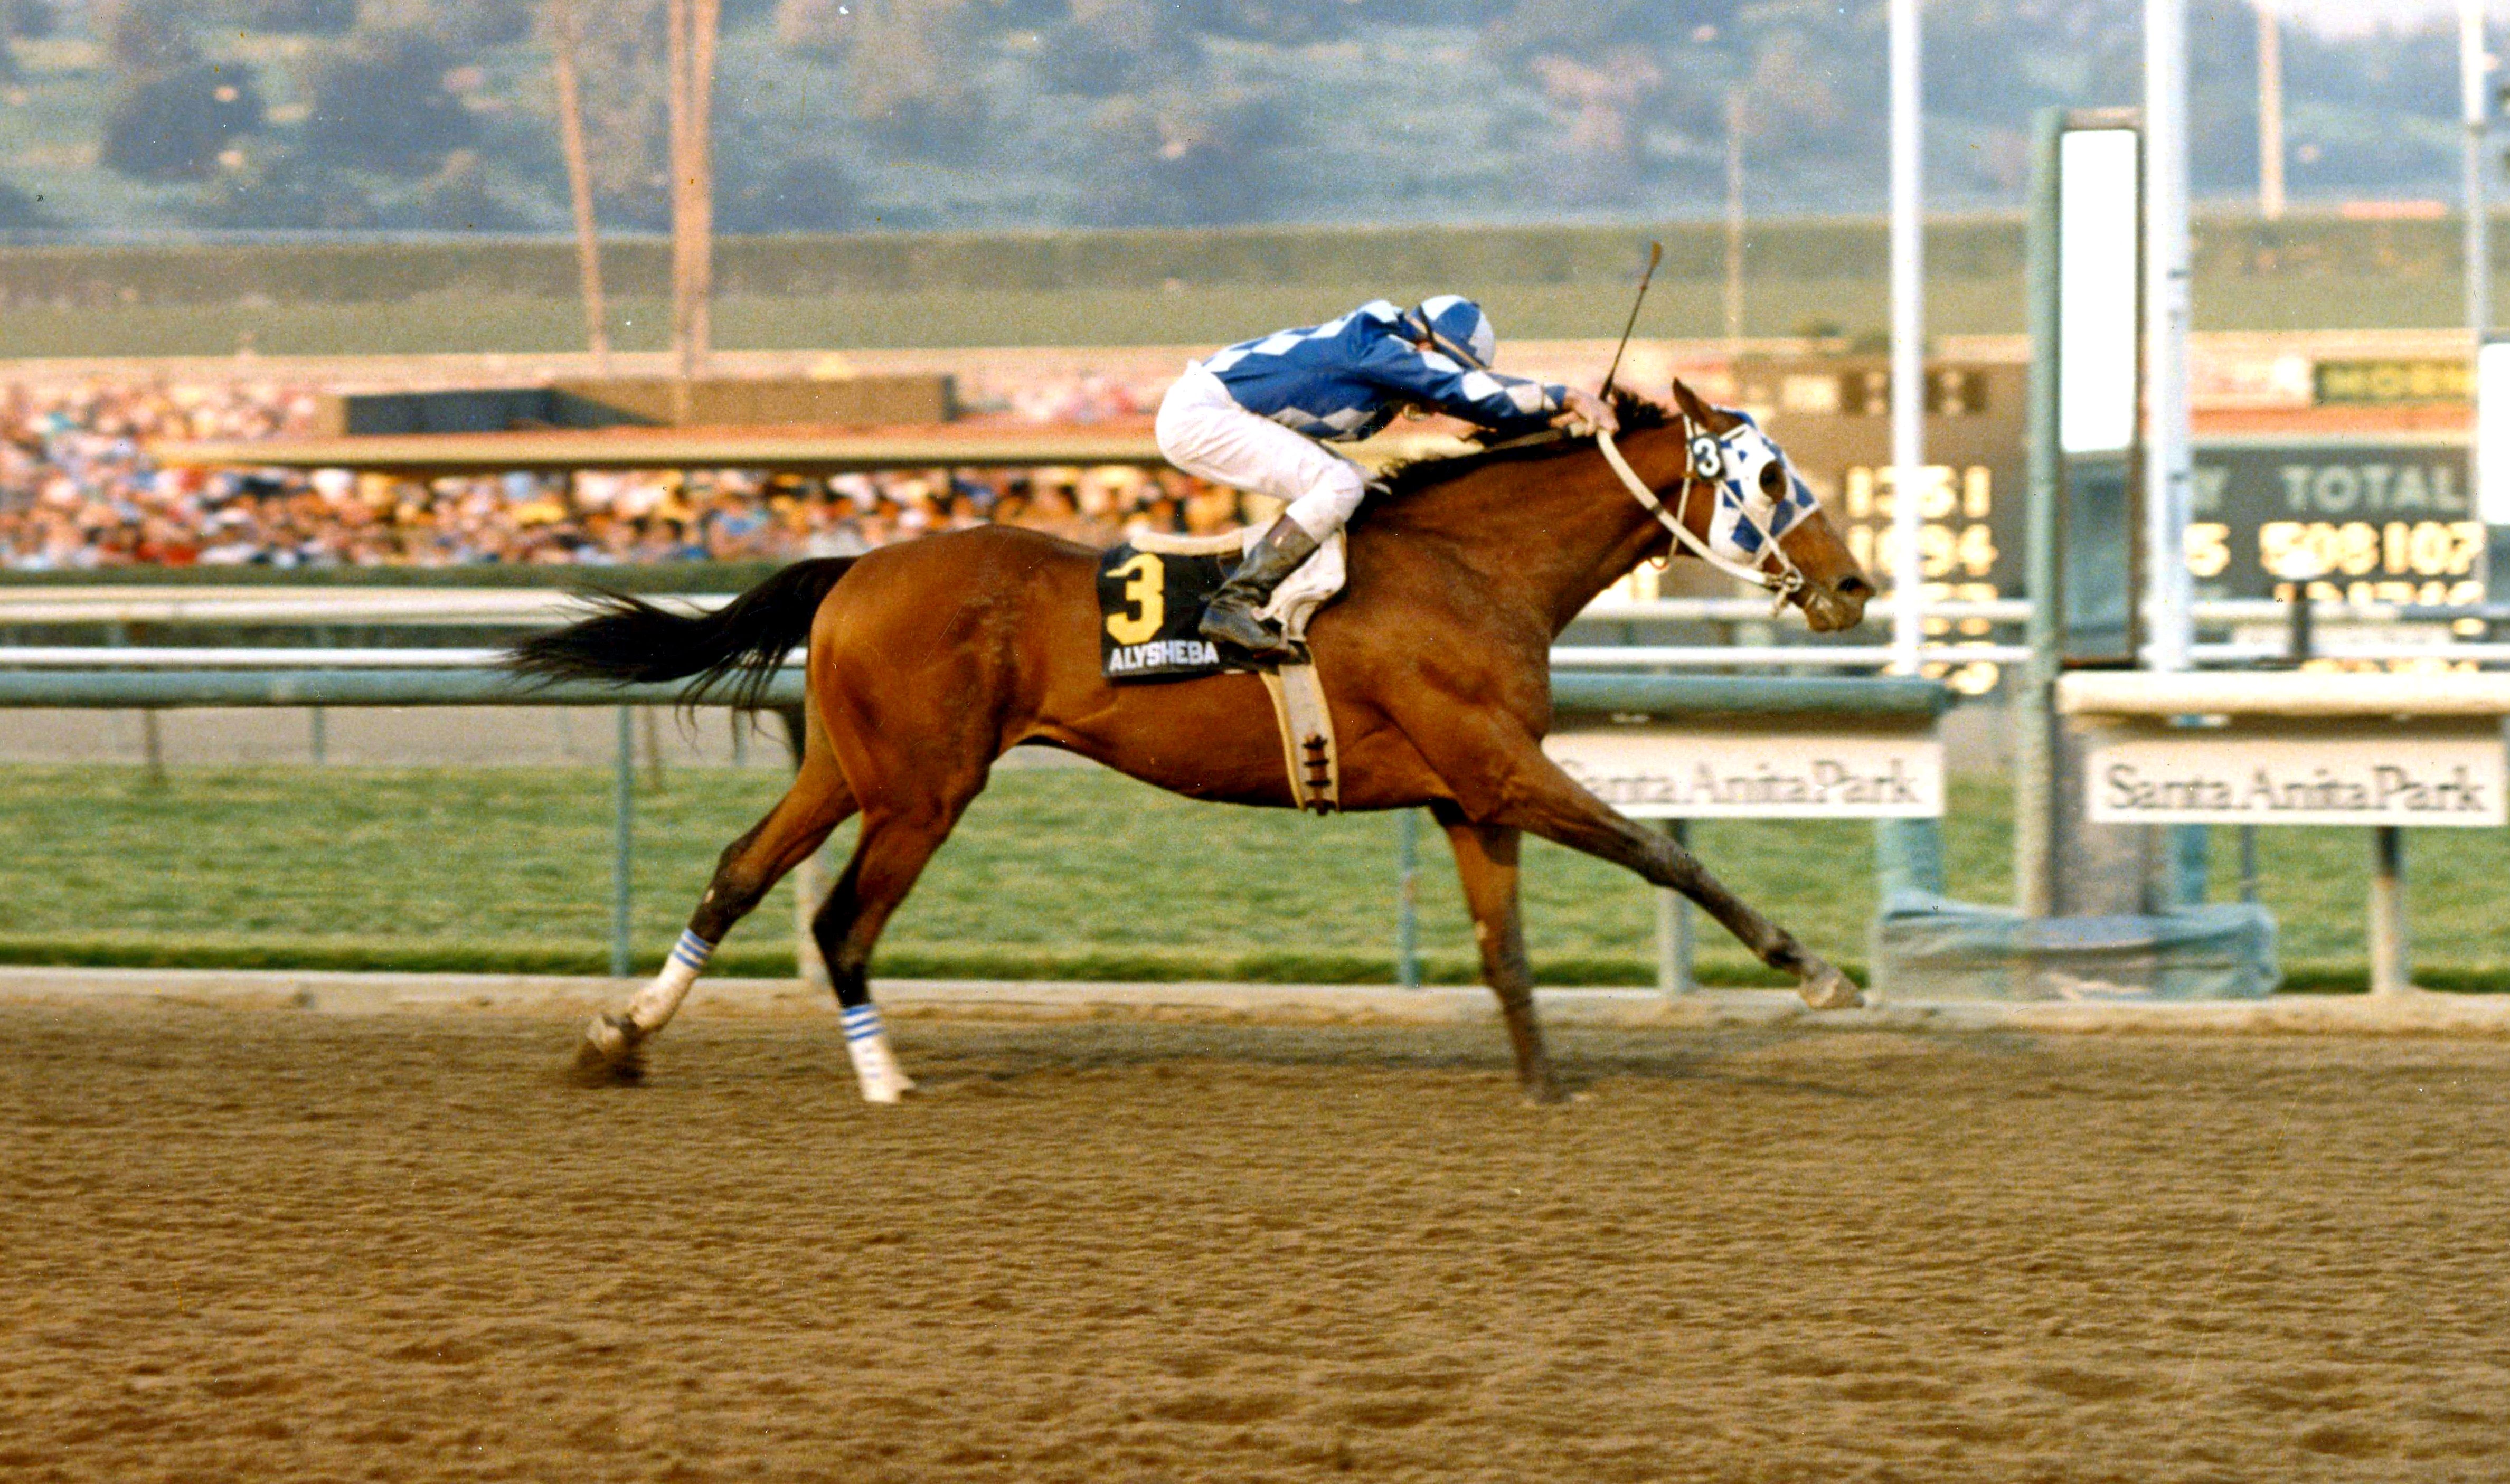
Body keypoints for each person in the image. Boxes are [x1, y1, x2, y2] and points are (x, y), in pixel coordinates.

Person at [1154, 294, 1618, 660]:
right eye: (1442, 366)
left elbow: (1457, 396)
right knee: (1339, 485)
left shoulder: (1383, 356)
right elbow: (1457, 390)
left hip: (1216, 410)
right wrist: (1565, 396)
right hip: (1201, 414)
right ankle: (1235, 602)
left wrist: (1549, 425)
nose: (1433, 403)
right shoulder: (1379, 346)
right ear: (1426, 348)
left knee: (1366, 486)